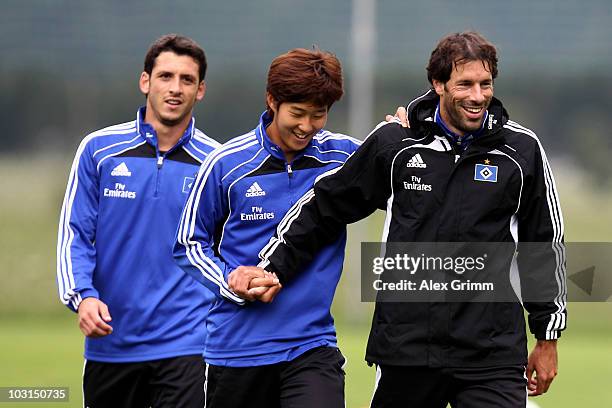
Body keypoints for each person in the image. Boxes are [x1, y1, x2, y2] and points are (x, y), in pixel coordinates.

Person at [255, 31, 566, 407]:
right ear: (438, 84)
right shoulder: (396, 145)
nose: (478, 96)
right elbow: (326, 206)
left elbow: (543, 243)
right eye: (464, 84)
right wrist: (273, 269)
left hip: (491, 353)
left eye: (485, 84)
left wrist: (547, 336)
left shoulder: (521, 150)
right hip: (407, 349)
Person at [173, 48, 361, 407]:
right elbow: (188, 244)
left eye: (318, 114)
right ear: (272, 100)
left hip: (311, 345)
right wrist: (230, 281)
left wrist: (404, 132)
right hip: (236, 351)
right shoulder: (225, 164)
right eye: (297, 113)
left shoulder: (343, 158)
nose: (307, 126)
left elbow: (401, 170)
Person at [56, 34, 220, 407]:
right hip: (112, 342)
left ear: (201, 91)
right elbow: (75, 234)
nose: (175, 88)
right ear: (145, 81)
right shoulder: (98, 150)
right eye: (165, 76)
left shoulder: (217, 162)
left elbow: (226, 250)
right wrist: (82, 297)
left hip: (190, 344)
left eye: (186, 80)